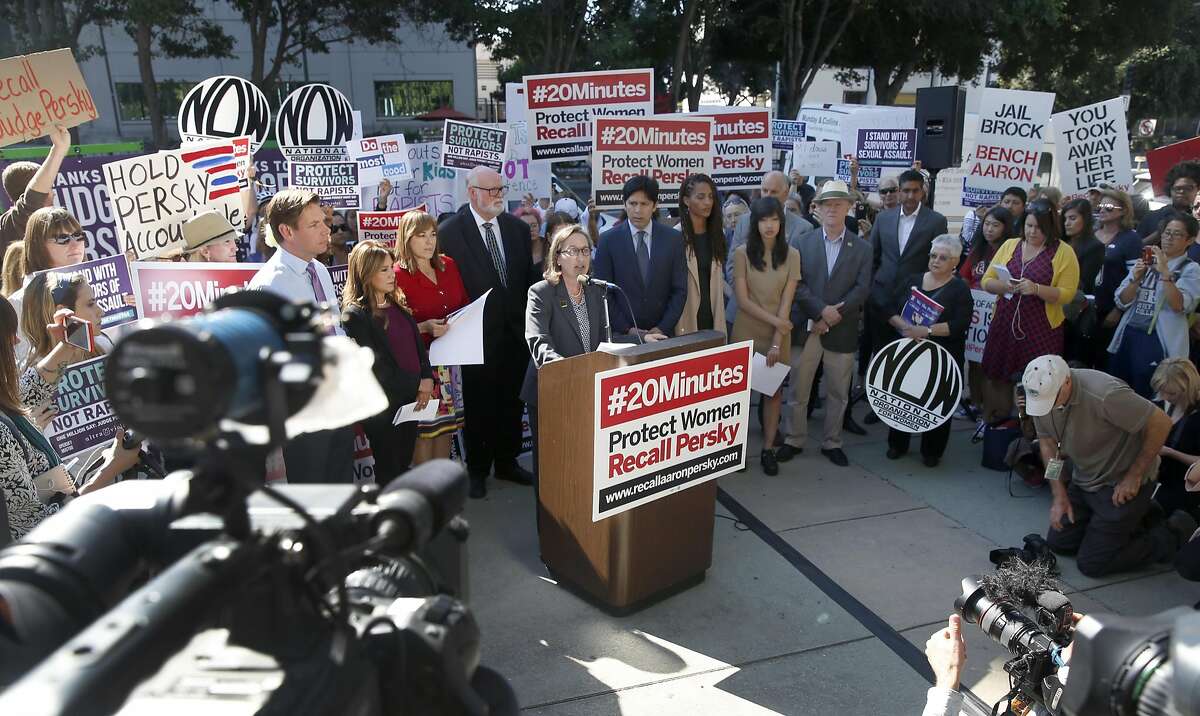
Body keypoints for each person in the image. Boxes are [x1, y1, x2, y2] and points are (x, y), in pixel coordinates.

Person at [1024, 354, 1193, 577]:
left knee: (1092, 565)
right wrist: (1059, 494)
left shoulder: (1105, 393)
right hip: (1085, 477)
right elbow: (1048, 445)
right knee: (1059, 543)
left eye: (1052, 400)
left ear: (1066, 382)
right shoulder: (1039, 391)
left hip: (1121, 482)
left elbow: (1161, 422)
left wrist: (1134, 475)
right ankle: (1138, 517)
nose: (1047, 407)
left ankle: (1172, 532)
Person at [437, 166, 536, 498]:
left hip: (516, 335)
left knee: (511, 401)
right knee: (480, 405)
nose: (498, 196)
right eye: (491, 190)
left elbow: (524, 281)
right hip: (475, 337)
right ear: (472, 192)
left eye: (501, 190)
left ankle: (507, 462)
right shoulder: (450, 233)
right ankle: (478, 469)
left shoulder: (518, 229)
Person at [247, 188, 354, 484]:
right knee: (313, 491)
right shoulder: (269, 285)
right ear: (286, 231)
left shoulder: (319, 269)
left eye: (324, 221)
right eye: (314, 225)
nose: (326, 229)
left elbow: (333, 326)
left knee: (341, 484)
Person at [777, 181, 873, 468]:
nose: (832, 208)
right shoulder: (802, 242)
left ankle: (833, 442)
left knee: (838, 392)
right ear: (817, 208)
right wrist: (819, 312)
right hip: (807, 326)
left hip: (840, 330)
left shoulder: (863, 248)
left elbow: (861, 288)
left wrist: (833, 315)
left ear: (848, 207)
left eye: (838, 203)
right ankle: (794, 439)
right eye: (826, 204)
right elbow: (797, 283)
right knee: (798, 389)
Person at [521, 225, 607, 494]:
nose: (581, 258)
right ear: (557, 257)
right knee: (552, 469)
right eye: (573, 251)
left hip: (587, 389)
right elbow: (538, 341)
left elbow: (605, 337)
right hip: (552, 391)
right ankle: (548, 534)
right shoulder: (541, 292)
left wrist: (638, 337)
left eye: (585, 251)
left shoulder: (596, 290)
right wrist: (565, 370)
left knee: (583, 465)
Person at [979, 200, 1079, 424]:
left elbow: (1067, 293)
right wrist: (1005, 286)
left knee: (1038, 381)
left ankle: (1034, 432)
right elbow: (987, 280)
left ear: (1051, 227)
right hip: (1004, 322)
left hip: (1041, 327)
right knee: (997, 374)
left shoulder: (1064, 252)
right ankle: (996, 422)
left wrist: (1036, 289)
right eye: (1029, 226)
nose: (1032, 232)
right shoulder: (1010, 245)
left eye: (1039, 228)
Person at [341, 240, 433, 483]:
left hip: (410, 401)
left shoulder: (397, 304)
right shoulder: (355, 315)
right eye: (383, 269)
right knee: (389, 468)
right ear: (366, 272)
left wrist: (426, 378)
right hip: (383, 407)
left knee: (403, 463)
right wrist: (415, 386)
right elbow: (375, 365)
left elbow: (417, 348)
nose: (392, 274)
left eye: (391, 267)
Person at [867, 169, 949, 423]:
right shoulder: (884, 219)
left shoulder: (936, 221)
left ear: (923, 192)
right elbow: (873, 255)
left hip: (914, 299)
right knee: (881, 352)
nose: (911, 195)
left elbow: (935, 261)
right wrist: (871, 287)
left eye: (915, 190)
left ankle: (902, 405)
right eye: (906, 190)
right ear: (899, 192)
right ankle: (877, 404)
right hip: (882, 295)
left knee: (907, 354)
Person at [885, 235, 973, 466]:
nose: (936, 261)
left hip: (942, 355)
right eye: (933, 256)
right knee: (901, 396)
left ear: (955, 262)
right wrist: (906, 327)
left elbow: (959, 324)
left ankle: (931, 451)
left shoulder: (960, 290)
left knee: (937, 400)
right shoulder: (911, 280)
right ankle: (897, 444)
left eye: (943, 258)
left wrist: (927, 331)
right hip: (908, 352)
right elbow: (890, 309)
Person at [393, 210, 469, 465]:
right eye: (421, 235)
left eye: (433, 234)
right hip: (420, 366)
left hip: (450, 361)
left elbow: (464, 305)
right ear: (406, 238)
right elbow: (392, 328)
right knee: (423, 431)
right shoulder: (396, 275)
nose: (429, 241)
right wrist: (423, 327)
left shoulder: (449, 265)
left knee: (447, 427)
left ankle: (441, 491)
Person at [730, 197, 800, 474]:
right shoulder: (742, 253)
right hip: (747, 330)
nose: (769, 225)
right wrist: (779, 324)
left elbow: (787, 301)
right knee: (742, 394)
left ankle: (768, 450)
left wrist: (776, 340)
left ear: (781, 222)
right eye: (763, 220)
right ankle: (738, 450)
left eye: (774, 220)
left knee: (772, 393)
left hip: (777, 334)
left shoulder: (792, 255)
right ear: (754, 223)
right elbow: (744, 301)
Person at [1107, 211, 1200, 398]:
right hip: (1129, 332)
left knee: (1149, 395)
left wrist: (1165, 273)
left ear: (1189, 240)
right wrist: (1135, 280)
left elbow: (1180, 305)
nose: (1169, 238)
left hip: (1160, 340)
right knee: (1117, 389)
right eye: (1166, 232)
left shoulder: (1190, 269)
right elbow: (1121, 300)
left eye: (1177, 234)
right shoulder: (1146, 261)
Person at [593, 176, 687, 341]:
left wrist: (662, 327)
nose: (638, 210)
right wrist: (627, 329)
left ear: (655, 205)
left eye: (644, 204)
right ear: (624, 204)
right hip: (622, 337)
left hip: (662, 335)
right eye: (632, 203)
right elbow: (603, 293)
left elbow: (679, 290)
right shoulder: (608, 241)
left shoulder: (673, 239)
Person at [725, 171, 813, 323]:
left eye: (773, 192)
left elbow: (801, 276)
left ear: (786, 194)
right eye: (764, 190)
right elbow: (732, 267)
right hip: (743, 314)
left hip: (780, 314)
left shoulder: (803, 229)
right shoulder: (744, 222)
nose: (767, 195)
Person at [11, 207, 89, 362]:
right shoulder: (20, 302)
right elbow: (23, 366)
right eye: (62, 238)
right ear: (38, 246)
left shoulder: (95, 284)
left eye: (78, 235)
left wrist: (131, 307)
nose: (74, 244)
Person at [959, 206, 1014, 414]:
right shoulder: (977, 250)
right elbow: (964, 277)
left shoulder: (1011, 251)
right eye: (987, 224)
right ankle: (974, 403)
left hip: (999, 315)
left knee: (990, 364)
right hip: (975, 315)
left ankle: (990, 411)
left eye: (995, 225)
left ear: (1005, 227)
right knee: (973, 361)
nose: (989, 229)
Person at [0, 125, 71, 256]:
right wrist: (58, 149)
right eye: (48, 185)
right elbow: (33, 199)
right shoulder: (18, 221)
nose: (53, 192)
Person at [1150, 359, 1200, 522]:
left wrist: (1171, 452)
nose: (1164, 397)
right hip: (1153, 477)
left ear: (1188, 388)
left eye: (1171, 394)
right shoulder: (1158, 404)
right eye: (1161, 391)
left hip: (1184, 484)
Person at [676, 174, 726, 335]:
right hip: (686, 316)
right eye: (701, 197)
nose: (707, 202)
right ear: (686, 201)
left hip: (713, 315)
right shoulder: (675, 236)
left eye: (711, 197)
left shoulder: (718, 234)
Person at [1060, 198, 1105, 367]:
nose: (1067, 223)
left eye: (1072, 218)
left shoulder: (1095, 247)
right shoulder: (1059, 242)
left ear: (1085, 219)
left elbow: (1083, 282)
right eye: (1065, 219)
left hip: (1074, 314)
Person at [1138, 161, 1200, 239]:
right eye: (1177, 188)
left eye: (1188, 188)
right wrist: (1159, 233)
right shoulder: (1152, 218)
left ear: (1198, 190)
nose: (1182, 192)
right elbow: (1136, 248)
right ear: (1170, 189)